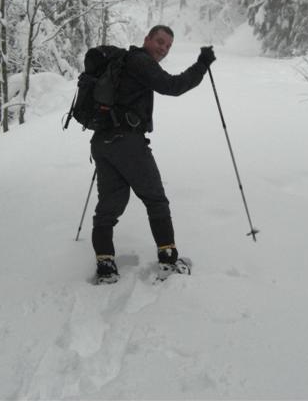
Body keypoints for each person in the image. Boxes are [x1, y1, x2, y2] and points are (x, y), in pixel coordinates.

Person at [90, 25, 216, 283]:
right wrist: (202, 65)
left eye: (168, 46)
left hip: (103, 142)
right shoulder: (140, 61)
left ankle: (105, 265)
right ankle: (168, 260)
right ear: (147, 39)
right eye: (159, 41)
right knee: (156, 200)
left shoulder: (124, 62)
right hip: (127, 143)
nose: (163, 48)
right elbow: (172, 86)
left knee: (109, 207)